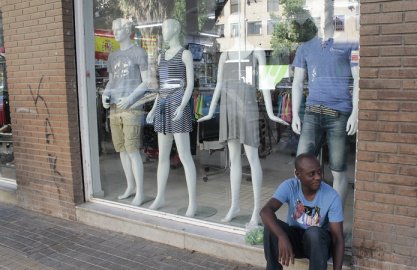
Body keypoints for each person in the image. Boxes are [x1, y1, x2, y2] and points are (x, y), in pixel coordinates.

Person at [198, 13, 288, 226]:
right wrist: (210, 112)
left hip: (248, 109)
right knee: (233, 160)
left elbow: (264, 83)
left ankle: (257, 210)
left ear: (245, 25)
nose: (234, 28)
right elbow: (218, 85)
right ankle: (235, 205)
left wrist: (271, 112)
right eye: (230, 25)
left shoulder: (256, 51)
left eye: (237, 24)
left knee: (252, 157)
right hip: (229, 110)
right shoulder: (225, 54)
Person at [291, 0, 359, 208]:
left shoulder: (349, 43)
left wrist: (355, 112)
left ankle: (334, 222)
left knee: (338, 170)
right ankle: (306, 216)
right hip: (312, 113)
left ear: (333, 13)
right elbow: (296, 82)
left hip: (339, 114)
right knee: (303, 167)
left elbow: (359, 79)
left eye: (325, 10)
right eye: (317, 11)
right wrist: (294, 114)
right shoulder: (305, 48)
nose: (321, 15)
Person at [146, 19, 197, 217]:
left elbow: (189, 84)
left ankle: (193, 202)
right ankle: (160, 196)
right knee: (163, 155)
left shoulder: (185, 54)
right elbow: (161, 87)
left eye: (166, 27)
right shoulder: (160, 57)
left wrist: (183, 105)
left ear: (175, 29)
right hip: (163, 106)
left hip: (178, 104)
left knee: (184, 155)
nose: (163, 31)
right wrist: (153, 108)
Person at [260, 153, 344, 270]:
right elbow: (265, 211)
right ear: (298, 175)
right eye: (311, 174)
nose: (318, 177)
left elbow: (338, 238)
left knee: (313, 233)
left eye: (319, 172)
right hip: (296, 240)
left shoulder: (331, 195)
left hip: (320, 245)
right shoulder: (290, 186)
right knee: (271, 228)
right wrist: (282, 236)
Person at [101, 18, 149, 206]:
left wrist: (130, 99)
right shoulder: (112, 56)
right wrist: (105, 94)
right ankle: (130, 186)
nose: (114, 32)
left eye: (118, 29)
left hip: (132, 107)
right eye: (113, 29)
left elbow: (146, 82)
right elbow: (112, 81)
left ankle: (141, 192)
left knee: (132, 149)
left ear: (127, 30)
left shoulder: (139, 53)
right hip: (115, 106)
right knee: (121, 149)